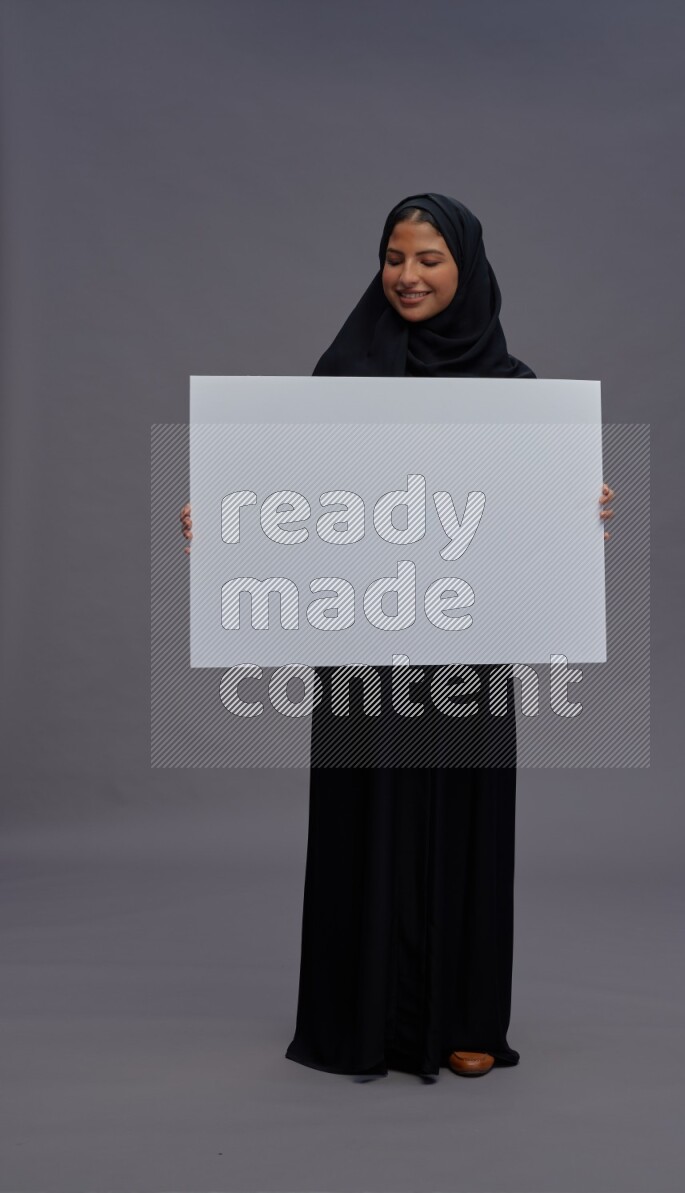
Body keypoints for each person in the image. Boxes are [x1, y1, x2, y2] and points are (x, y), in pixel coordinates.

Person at [180, 192, 615, 1083]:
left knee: (465, 819)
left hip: (467, 648)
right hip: (364, 648)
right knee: (362, 816)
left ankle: (466, 1018)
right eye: (394, 257)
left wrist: (583, 509)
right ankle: (360, 1018)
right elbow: (293, 502)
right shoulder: (343, 375)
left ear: (468, 268)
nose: (408, 276)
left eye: (429, 259)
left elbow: (528, 529)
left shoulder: (515, 392)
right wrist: (224, 520)